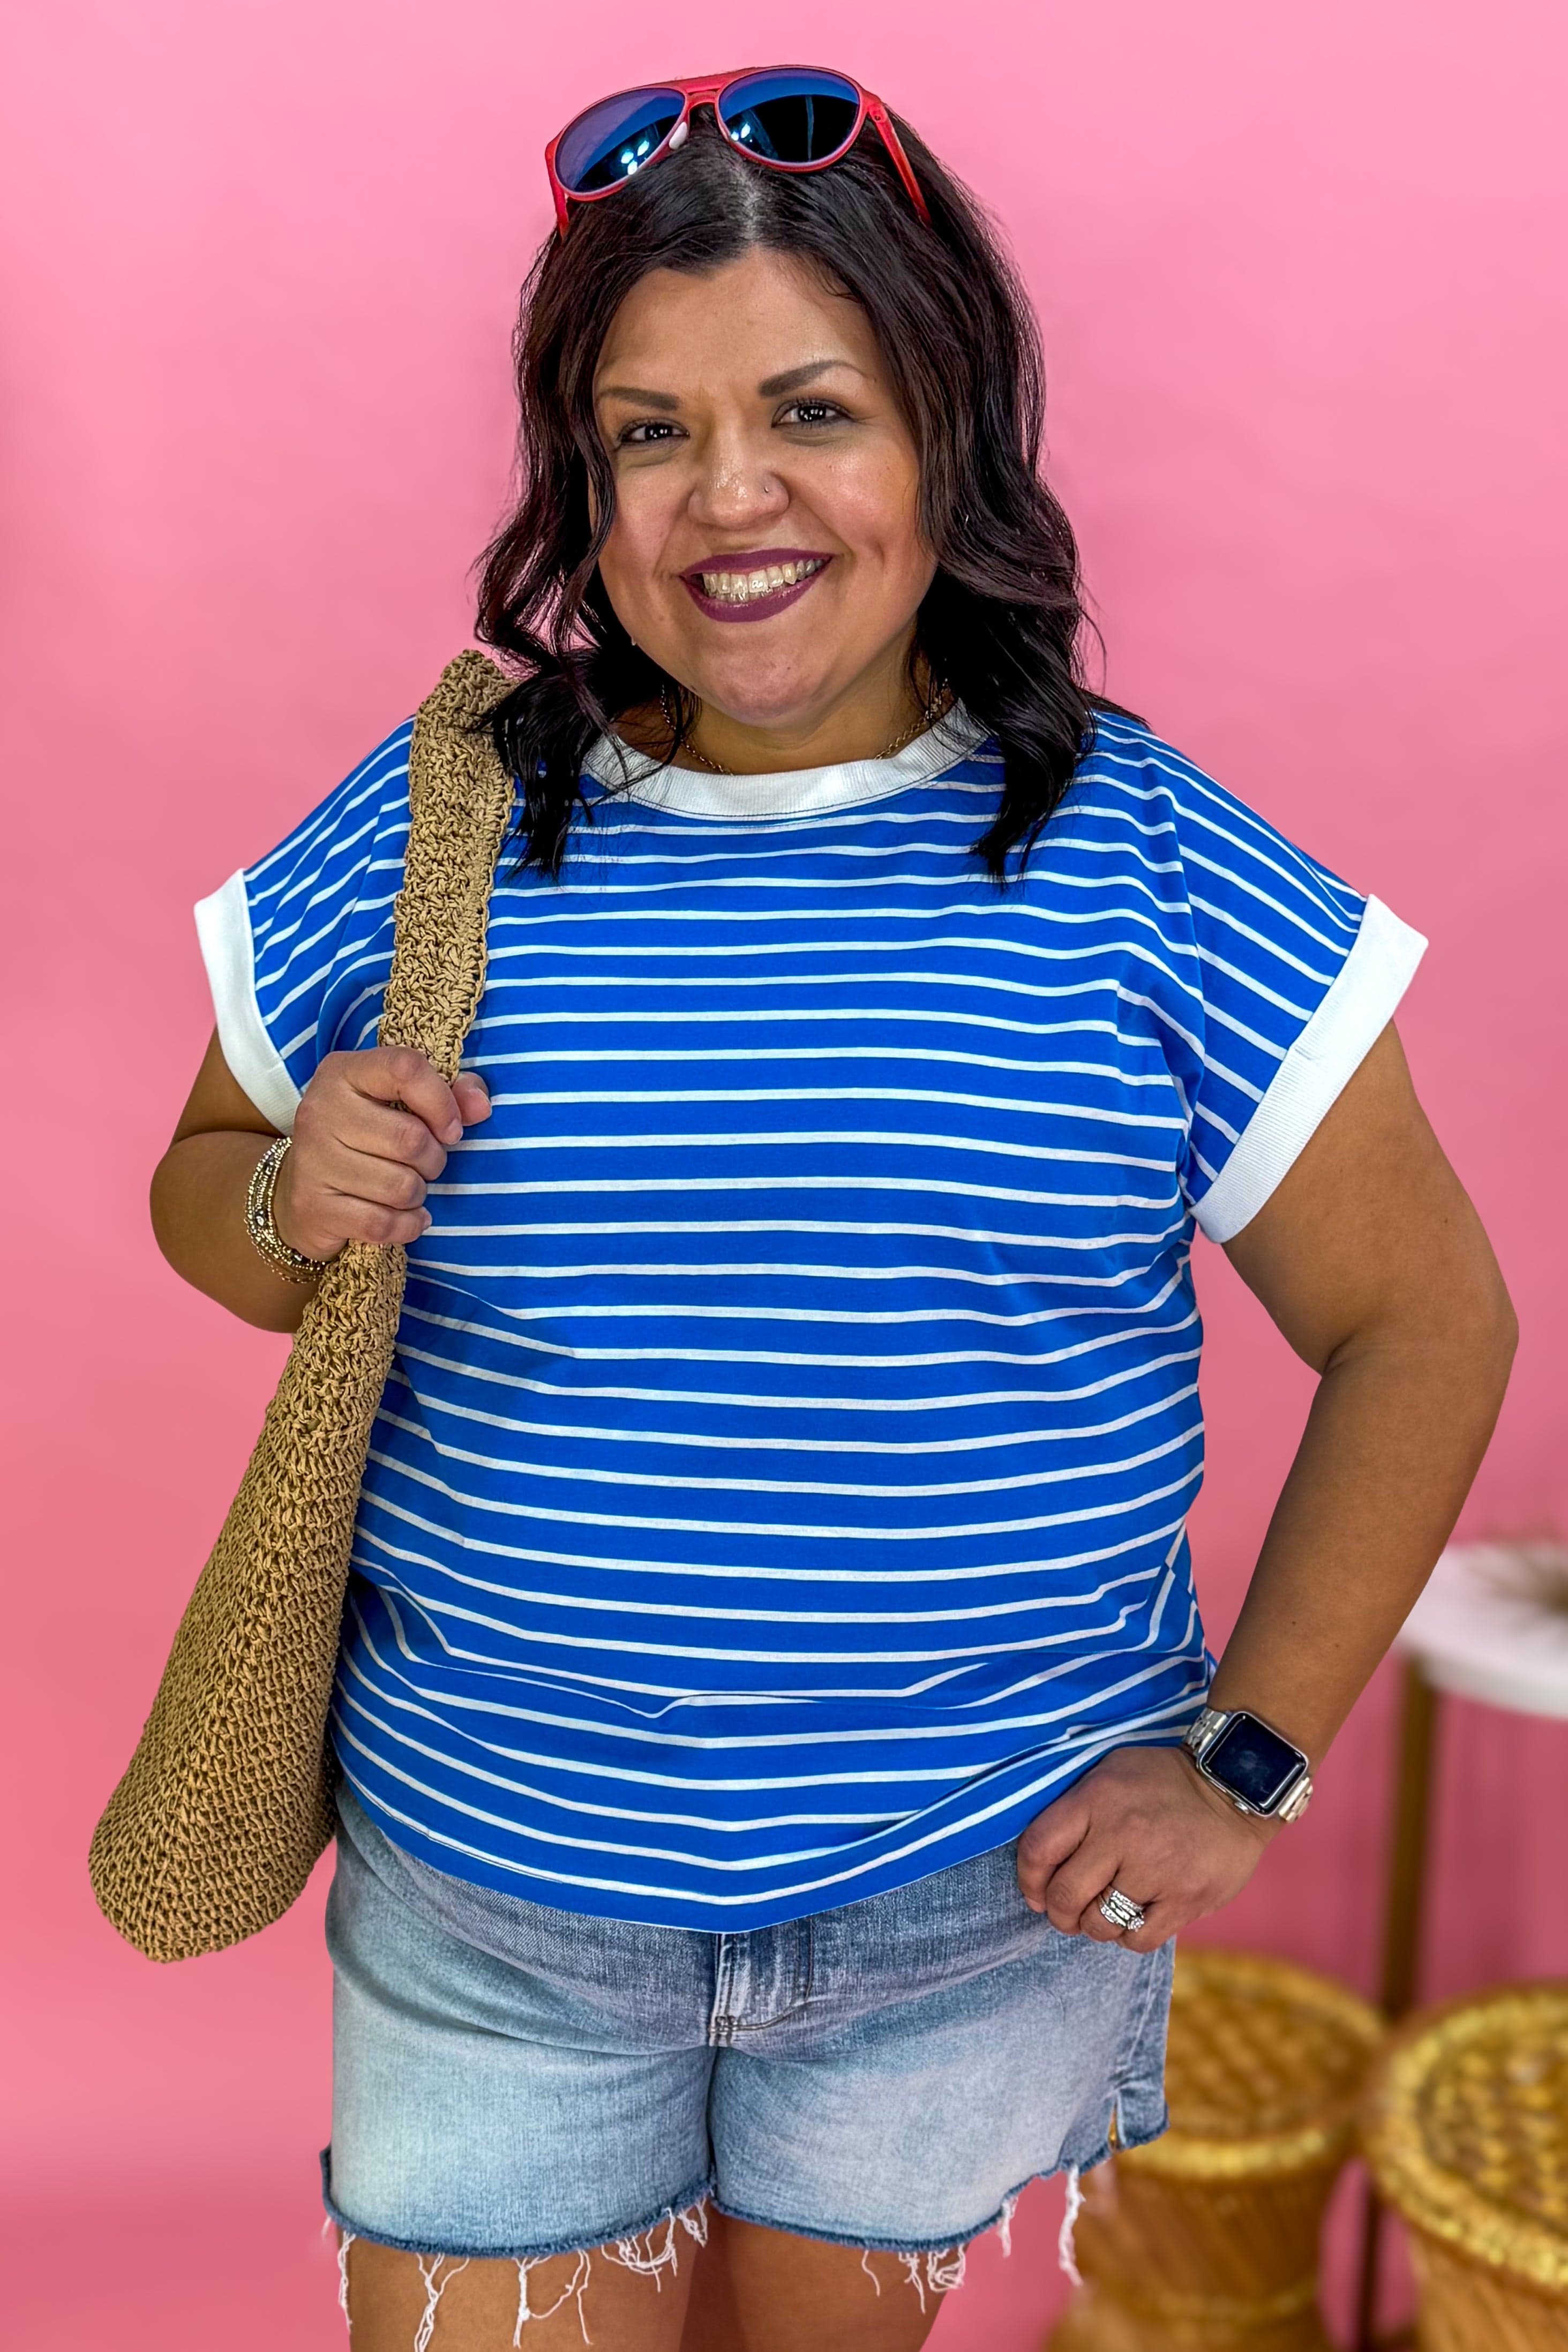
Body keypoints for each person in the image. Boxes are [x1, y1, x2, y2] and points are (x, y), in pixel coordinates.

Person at [150, 66, 1515, 2352]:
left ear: (948, 434)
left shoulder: (1141, 857)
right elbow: (208, 1196)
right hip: (497, 1887)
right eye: (646, 433)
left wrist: (1247, 1757)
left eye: (812, 408)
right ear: (579, 481)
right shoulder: (455, 819)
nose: (730, 495)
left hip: (968, 1905)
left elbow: (1426, 1320)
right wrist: (292, 1188)